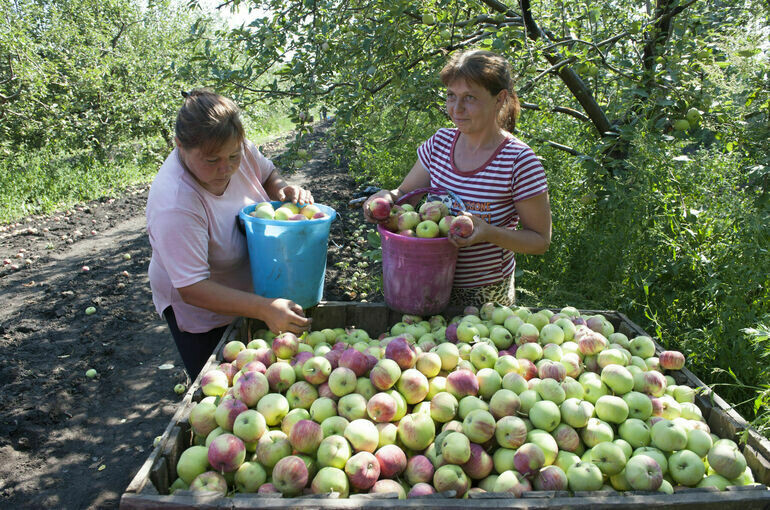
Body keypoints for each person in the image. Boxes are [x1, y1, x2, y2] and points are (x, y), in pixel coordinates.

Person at [363, 50, 552, 308]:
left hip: (484, 294)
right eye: (451, 96)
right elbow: (404, 194)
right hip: (425, 279)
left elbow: (540, 241)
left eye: (470, 98)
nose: (457, 108)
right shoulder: (440, 143)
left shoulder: (518, 161)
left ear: (500, 99)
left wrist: (487, 233)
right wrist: (384, 199)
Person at [146, 89, 312, 379]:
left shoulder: (237, 148)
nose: (226, 168)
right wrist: (265, 308)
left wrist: (282, 189)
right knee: (221, 382)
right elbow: (193, 286)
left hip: (253, 290)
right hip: (202, 311)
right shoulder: (176, 203)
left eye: (233, 156)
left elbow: (268, 174)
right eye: (211, 161)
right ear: (179, 146)